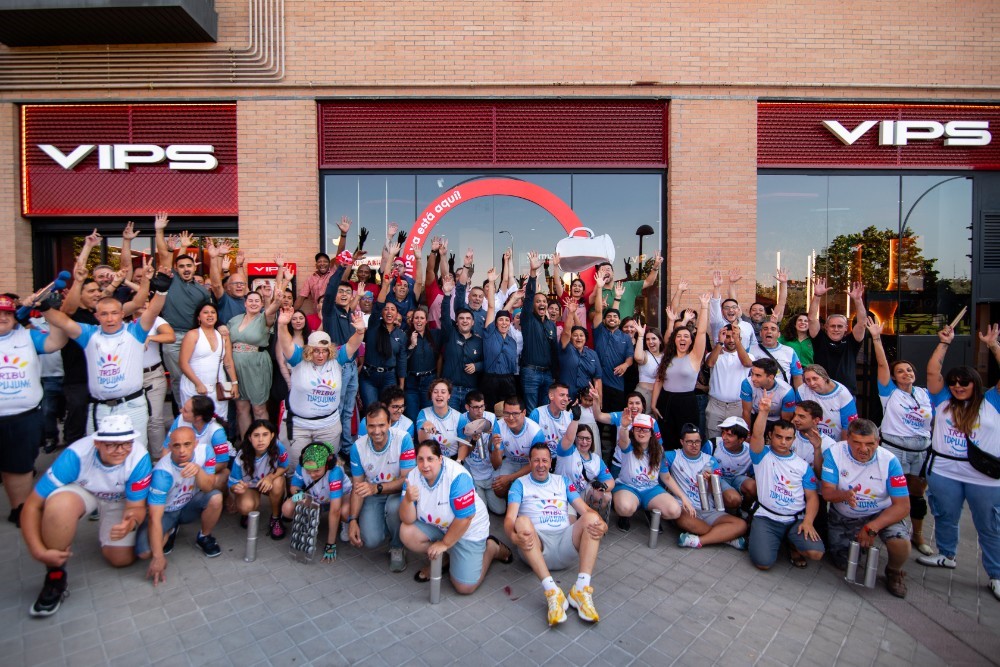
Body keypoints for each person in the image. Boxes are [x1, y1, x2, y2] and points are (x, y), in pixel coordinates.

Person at [20, 415, 152, 617]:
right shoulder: (76, 454)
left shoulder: (139, 457)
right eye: (112, 445)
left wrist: (131, 523)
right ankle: (55, 575)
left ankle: (142, 527)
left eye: (127, 443)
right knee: (58, 508)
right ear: (97, 442)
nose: (120, 450)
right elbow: (31, 506)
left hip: (119, 499)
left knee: (120, 559)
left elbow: (136, 507)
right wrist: (38, 551)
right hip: (84, 491)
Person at [42, 265, 168, 452]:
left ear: (122, 314)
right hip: (100, 408)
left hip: (132, 405)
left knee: (135, 453)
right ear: (97, 316)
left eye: (114, 313)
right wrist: (44, 306)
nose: (110, 319)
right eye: (104, 314)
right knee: (100, 455)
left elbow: (152, 311)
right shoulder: (88, 334)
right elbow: (63, 321)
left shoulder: (135, 331)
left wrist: (162, 290)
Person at [916, 323, 1000, 601]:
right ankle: (946, 554)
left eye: (964, 382)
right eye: (953, 382)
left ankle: (996, 574)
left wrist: (993, 346)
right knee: (944, 515)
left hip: (984, 475)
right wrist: (944, 343)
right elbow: (932, 371)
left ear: (975, 383)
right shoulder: (943, 400)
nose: (958, 386)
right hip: (945, 470)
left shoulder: (992, 401)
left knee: (989, 525)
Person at [504, 442, 608, 625]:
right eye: (536, 460)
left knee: (592, 519)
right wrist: (513, 537)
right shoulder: (519, 484)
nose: (541, 465)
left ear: (550, 462)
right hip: (536, 546)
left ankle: (581, 589)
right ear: (530, 462)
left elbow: (585, 510)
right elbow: (510, 519)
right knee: (521, 521)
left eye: (544, 460)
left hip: (564, 543)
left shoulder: (562, 481)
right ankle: (552, 591)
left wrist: (603, 526)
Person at [400, 440, 512, 590]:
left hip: (468, 530)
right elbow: (407, 519)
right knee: (406, 532)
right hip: (440, 526)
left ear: (440, 459)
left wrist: (445, 544)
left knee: (464, 587)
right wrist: (408, 500)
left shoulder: (457, 476)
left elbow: (465, 518)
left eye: (430, 459)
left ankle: (491, 548)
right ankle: (445, 558)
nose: (425, 465)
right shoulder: (412, 477)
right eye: (420, 459)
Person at [821, 419, 911, 597]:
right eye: (857, 443)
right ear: (848, 440)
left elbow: (903, 506)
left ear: (877, 442)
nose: (863, 449)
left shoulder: (890, 461)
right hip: (846, 515)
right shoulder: (834, 453)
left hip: (880, 513)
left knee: (900, 543)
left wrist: (872, 527)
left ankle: (894, 571)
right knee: (842, 563)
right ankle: (860, 545)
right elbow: (827, 493)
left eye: (870, 444)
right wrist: (844, 495)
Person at [867, 317, 934, 556]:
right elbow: (882, 364)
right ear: (893, 377)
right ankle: (885, 529)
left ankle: (918, 534)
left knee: (917, 494)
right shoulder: (889, 392)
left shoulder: (925, 394)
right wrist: (876, 338)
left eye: (909, 370)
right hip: (894, 447)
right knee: (888, 491)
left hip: (920, 450)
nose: (906, 373)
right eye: (900, 371)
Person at [0, 294, 67, 526]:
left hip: (24, 417)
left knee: (19, 465)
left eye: (7, 313)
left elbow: (56, 342)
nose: (3, 318)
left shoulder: (28, 336)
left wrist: (50, 311)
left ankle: (20, 509)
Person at [276, 306, 365, 463]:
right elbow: (286, 343)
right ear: (309, 350)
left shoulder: (336, 359)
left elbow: (352, 345)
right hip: (299, 426)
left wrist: (359, 332)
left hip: (328, 426)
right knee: (296, 466)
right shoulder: (298, 358)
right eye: (316, 351)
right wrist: (282, 325)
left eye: (324, 350)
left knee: (325, 466)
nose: (320, 355)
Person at [137, 426, 222, 587]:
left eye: (187, 444)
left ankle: (204, 536)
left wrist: (198, 470)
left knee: (215, 497)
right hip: (167, 512)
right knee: (145, 553)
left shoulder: (205, 451)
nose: (182, 450)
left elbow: (208, 487)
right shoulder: (162, 473)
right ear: (170, 447)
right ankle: (171, 529)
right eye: (176, 445)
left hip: (189, 504)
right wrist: (158, 557)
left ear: (195, 443)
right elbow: (155, 517)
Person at [747, 394, 824, 570]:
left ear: (793, 439)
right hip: (767, 516)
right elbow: (756, 436)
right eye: (779, 437)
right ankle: (762, 536)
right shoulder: (762, 455)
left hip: (795, 520)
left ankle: (791, 543)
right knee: (763, 563)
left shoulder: (803, 466)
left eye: (788, 438)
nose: (783, 442)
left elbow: (812, 497)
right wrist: (763, 411)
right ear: (770, 436)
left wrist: (808, 521)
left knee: (816, 553)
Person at [348, 402, 416, 573]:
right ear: (366, 426)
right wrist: (352, 520)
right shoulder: (358, 447)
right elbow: (357, 486)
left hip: (397, 492)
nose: (376, 431)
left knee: (394, 508)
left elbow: (407, 479)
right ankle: (388, 525)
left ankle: (397, 546)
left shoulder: (404, 439)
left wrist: (376, 488)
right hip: (373, 494)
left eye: (381, 425)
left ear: (389, 423)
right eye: (371, 426)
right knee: (371, 540)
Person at [155, 215, 211, 409]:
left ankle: (197, 411)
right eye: (181, 266)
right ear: (175, 269)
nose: (185, 269)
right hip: (172, 338)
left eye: (189, 265)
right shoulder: (171, 280)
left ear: (194, 267)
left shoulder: (202, 291)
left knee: (195, 376)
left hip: (194, 337)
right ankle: (183, 413)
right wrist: (159, 230)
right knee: (178, 378)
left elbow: (207, 315)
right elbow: (164, 254)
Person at [230, 265, 290, 438]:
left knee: (258, 408)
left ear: (261, 303)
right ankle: (246, 444)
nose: (254, 303)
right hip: (236, 367)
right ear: (245, 303)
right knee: (241, 408)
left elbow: (272, 308)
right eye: (250, 300)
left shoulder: (264, 318)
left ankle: (264, 442)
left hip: (257, 366)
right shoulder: (234, 320)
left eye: (257, 301)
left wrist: (276, 299)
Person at [667, 424, 748, 550]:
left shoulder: (710, 460)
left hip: (708, 508)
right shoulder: (673, 456)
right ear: (682, 442)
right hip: (685, 508)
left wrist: (710, 480)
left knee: (741, 525)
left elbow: (714, 493)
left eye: (697, 441)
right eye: (689, 442)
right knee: (692, 523)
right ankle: (727, 537)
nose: (694, 445)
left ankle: (698, 541)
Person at [612, 412, 692, 532]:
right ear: (633, 431)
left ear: (651, 433)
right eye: (638, 429)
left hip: (651, 489)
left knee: (674, 511)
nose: (641, 432)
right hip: (627, 486)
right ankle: (625, 515)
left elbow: (666, 477)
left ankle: (650, 509)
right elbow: (623, 439)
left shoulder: (659, 450)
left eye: (645, 429)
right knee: (625, 508)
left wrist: (683, 497)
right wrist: (624, 427)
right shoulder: (628, 445)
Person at [652, 293, 711, 447]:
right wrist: (653, 404)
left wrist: (704, 307)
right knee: (667, 440)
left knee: (688, 440)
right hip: (666, 401)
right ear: (674, 340)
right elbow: (659, 381)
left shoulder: (695, 356)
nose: (682, 339)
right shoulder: (667, 358)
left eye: (686, 336)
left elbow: (702, 332)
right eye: (679, 336)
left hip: (687, 402)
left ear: (691, 340)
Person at [321, 242, 364, 453]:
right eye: (341, 291)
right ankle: (334, 451)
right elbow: (330, 289)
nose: (344, 294)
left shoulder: (350, 315)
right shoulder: (330, 311)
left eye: (348, 291)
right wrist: (342, 266)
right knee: (337, 409)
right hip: (337, 366)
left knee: (348, 410)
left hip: (352, 366)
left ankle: (346, 448)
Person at [281, 441, 344, 562]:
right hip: (316, 498)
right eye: (308, 471)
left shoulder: (335, 472)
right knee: (287, 508)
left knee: (345, 512)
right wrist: (300, 496)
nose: (312, 475)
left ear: (327, 465)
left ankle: (344, 524)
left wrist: (330, 544)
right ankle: (311, 519)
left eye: (317, 471)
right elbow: (294, 487)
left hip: (336, 500)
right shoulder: (301, 466)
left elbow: (335, 510)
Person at [228, 419, 288, 539]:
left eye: (265, 435)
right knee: (245, 507)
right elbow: (232, 483)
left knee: (278, 482)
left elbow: (285, 466)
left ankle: (275, 518)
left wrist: (270, 477)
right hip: (250, 486)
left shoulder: (278, 446)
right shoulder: (242, 455)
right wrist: (238, 488)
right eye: (256, 435)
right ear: (250, 438)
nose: (261, 440)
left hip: (268, 483)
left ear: (272, 436)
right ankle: (247, 512)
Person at [178, 303, 237, 421]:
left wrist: (235, 383)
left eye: (213, 312)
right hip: (195, 386)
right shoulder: (192, 334)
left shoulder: (223, 336)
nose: (210, 315)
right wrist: (198, 384)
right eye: (205, 312)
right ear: (198, 317)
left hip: (218, 387)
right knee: (194, 420)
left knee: (219, 421)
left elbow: (228, 361)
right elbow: (183, 363)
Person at [807, 278, 867, 395]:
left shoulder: (852, 342)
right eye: (832, 326)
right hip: (821, 391)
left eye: (840, 326)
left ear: (846, 328)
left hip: (847, 393)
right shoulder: (820, 339)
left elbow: (862, 323)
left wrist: (858, 300)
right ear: (826, 327)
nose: (836, 329)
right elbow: (811, 319)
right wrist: (817, 296)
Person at [489, 396, 549, 511]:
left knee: (533, 490)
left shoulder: (535, 431)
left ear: (524, 413)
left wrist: (510, 478)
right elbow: (496, 464)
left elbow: (537, 463)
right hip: (510, 461)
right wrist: (496, 449)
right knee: (498, 488)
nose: (511, 418)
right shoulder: (499, 426)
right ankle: (510, 497)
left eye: (515, 414)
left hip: (530, 464)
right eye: (507, 413)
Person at [360, 268, 407, 408]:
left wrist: (401, 387)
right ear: (381, 313)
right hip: (369, 376)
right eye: (386, 309)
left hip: (389, 377)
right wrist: (385, 285)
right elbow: (378, 305)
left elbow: (402, 361)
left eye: (392, 309)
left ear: (397, 314)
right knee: (372, 410)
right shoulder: (374, 325)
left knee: (388, 411)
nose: (389, 312)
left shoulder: (401, 335)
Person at [520, 252, 560, 413]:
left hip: (548, 374)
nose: (541, 303)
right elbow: (529, 295)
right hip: (531, 373)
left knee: (545, 411)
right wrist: (533, 272)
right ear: (533, 305)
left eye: (544, 301)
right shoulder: (528, 319)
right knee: (531, 411)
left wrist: (555, 374)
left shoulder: (551, 325)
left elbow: (554, 351)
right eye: (538, 301)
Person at [591, 274, 635, 417]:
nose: (612, 318)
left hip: (617, 384)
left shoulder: (625, 337)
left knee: (616, 419)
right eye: (609, 316)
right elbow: (598, 311)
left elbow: (630, 357)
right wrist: (599, 287)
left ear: (619, 321)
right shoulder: (599, 331)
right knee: (598, 418)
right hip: (599, 384)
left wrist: (626, 365)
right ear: (604, 320)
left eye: (615, 317)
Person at [165, 395, 231, 491]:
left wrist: (197, 472)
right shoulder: (179, 420)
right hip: (182, 467)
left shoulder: (216, 432)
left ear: (198, 418)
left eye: (185, 411)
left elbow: (222, 463)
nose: (180, 411)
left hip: (207, 468)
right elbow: (166, 448)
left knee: (222, 476)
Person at [136, 301, 175, 458]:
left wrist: (151, 337)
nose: (144, 307)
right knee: (136, 420)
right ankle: (138, 459)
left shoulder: (156, 320)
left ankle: (158, 458)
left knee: (155, 419)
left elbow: (171, 336)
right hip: (131, 377)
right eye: (141, 303)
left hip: (153, 374)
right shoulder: (124, 323)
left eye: (147, 304)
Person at [439, 272, 483, 410]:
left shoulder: (479, 341)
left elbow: (487, 361)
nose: (465, 321)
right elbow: (445, 315)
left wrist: (477, 366)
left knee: (469, 423)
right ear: (456, 322)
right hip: (450, 391)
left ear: (473, 322)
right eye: (461, 318)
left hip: (471, 392)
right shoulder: (450, 334)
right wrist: (447, 294)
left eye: (468, 318)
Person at [456, 391, 503, 513]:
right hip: (472, 471)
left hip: (489, 471)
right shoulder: (461, 420)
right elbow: (463, 452)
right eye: (476, 407)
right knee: (481, 510)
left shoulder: (491, 418)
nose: (480, 411)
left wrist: (494, 443)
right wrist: (473, 440)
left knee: (500, 510)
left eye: (482, 406)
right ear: (467, 407)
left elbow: (496, 453)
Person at [705, 323, 754, 439]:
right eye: (727, 337)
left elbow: (747, 363)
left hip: (737, 406)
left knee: (735, 441)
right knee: (713, 440)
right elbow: (710, 363)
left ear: (740, 338)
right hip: (715, 405)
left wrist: (737, 341)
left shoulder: (749, 356)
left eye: (734, 336)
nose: (731, 340)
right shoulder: (714, 354)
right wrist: (720, 343)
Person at [555, 423, 615, 519]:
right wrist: (575, 420)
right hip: (563, 493)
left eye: (588, 438)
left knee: (606, 495)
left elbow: (610, 481)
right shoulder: (567, 451)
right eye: (580, 438)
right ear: (575, 438)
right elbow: (568, 437)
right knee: (571, 522)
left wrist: (603, 486)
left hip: (582, 494)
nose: (584, 442)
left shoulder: (596, 459)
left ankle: (589, 518)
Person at [481, 268, 519, 410]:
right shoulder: (490, 334)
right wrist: (491, 282)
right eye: (500, 320)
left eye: (506, 320)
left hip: (508, 380)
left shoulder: (512, 342)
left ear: (510, 323)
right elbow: (491, 307)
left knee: (508, 412)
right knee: (490, 412)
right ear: (495, 323)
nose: (504, 323)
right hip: (490, 380)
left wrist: (515, 298)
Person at [705, 416, 756, 511]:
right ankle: (731, 513)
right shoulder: (713, 444)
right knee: (734, 499)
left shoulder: (751, 451)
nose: (724, 437)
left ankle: (745, 510)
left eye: (729, 435)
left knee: (753, 487)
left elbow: (755, 475)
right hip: (718, 479)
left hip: (738, 478)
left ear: (741, 439)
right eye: (723, 433)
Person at [589, 256, 662, 321]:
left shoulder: (628, 286)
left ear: (613, 273)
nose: (605, 272)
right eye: (602, 270)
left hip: (627, 330)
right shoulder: (598, 292)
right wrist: (600, 309)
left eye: (608, 269)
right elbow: (591, 317)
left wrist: (655, 267)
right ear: (598, 274)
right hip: (607, 330)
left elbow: (649, 282)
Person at [798, 364, 858, 441]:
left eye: (815, 379)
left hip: (835, 442)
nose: (812, 383)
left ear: (825, 378)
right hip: (809, 440)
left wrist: (842, 446)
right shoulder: (802, 391)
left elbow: (848, 426)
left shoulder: (843, 395)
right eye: (808, 380)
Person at [558, 298, 602, 400]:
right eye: (575, 335)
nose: (578, 338)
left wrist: (599, 401)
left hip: (586, 400)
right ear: (570, 338)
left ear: (585, 339)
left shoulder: (593, 354)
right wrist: (571, 313)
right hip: (566, 399)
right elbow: (566, 333)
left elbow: (597, 380)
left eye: (581, 336)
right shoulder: (566, 348)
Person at [405, 306, 439, 423]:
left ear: (426, 321)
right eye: (416, 318)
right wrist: (411, 345)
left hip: (429, 381)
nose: (419, 320)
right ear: (412, 320)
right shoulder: (405, 336)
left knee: (428, 418)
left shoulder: (434, 335)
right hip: (411, 382)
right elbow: (402, 359)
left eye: (422, 318)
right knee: (412, 417)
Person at [416, 378, 465, 459]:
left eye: (443, 392)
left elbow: (463, 445)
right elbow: (422, 442)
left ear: (449, 396)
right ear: (431, 396)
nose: (439, 395)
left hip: (452, 459)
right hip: (430, 459)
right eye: (435, 392)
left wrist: (459, 461)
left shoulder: (459, 417)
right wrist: (424, 426)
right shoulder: (423, 413)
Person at [740, 358, 797, 428]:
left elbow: (786, 421)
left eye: (758, 375)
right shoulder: (747, 384)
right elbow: (746, 412)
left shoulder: (787, 392)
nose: (753, 379)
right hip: (755, 415)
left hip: (777, 420)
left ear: (770, 377)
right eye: (752, 374)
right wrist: (747, 433)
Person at [749, 320, 803, 390]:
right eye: (765, 329)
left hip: (782, 393)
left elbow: (797, 377)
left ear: (779, 334)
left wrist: (798, 395)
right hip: (756, 393)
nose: (769, 331)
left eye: (773, 329)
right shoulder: (750, 350)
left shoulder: (789, 351)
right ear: (760, 333)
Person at [790, 400, 838, 478]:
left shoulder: (830, 445)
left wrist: (817, 448)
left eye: (801, 416)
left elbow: (821, 476)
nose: (795, 419)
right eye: (795, 415)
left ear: (816, 420)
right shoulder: (788, 436)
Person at [708, 270, 754, 350]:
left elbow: (754, 345)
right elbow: (715, 305)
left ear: (738, 310)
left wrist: (732, 284)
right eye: (726, 308)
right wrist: (716, 288)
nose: (731, 310)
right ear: (721, 311)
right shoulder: (718, 324)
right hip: (721, 356)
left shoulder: (747, 325)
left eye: (734, 307)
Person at [206, 239, 247, 323]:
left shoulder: (249, 301)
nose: (239, 286)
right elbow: (216, 285)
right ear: (228, 287)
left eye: (241, 284)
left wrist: (239, 266)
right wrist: (215, 258)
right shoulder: (225, 300)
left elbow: (243, 281)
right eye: (235, 283)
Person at [529, 382, 574, 457]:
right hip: (542, 458)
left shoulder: (570, 417)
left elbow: (571, 444)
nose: (566, 399)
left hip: (563, 458)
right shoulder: (537, 414)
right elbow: (530, 442)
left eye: (567, 396)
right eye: (562, 395)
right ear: (551, 396)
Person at [633, 323, 663, 415]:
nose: (650, 342)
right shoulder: (645, 354)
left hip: (661, 394)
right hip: (645, 394)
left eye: (653, 338)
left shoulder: (665, 356)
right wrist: (640, 336)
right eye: (647, 339)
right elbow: (638, 357)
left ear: (660, 341)